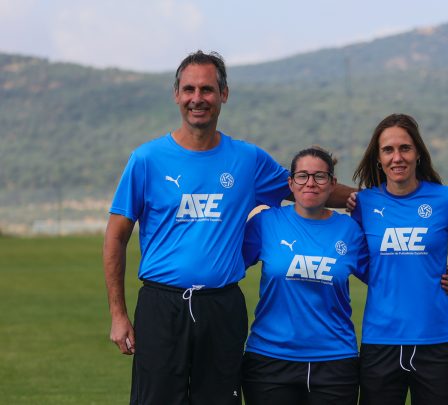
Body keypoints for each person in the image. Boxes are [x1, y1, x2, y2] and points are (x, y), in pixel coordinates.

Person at [102, 51, 353, 404]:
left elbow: (309, 186)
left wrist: (373, 202)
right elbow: (116, 236)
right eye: (189, 89)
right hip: (162, 305)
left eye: (207, 89)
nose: (197, 98)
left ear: (224, 94)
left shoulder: (247, 159)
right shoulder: (147, 159)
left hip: (221, 307)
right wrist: (118, 314)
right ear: (176, 94)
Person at [350, 113, 448, 405]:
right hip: (380, 341)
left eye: (405, 148)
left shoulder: (446, 199)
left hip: (436, 340)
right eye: (388, 150)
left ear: (418, 153)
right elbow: (357, 264)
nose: (397, 157)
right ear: (378, 157)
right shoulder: (363, 204)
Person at [241, 147, 368, 405]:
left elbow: (385, 276)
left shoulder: (351, 231)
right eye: (302, 176)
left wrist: (437, 277)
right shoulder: (266, 223)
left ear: (332, 184)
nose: (310, 183)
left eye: (320, 176)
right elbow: (224, 264)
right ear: (290, 182)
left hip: (335, 361)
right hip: (270, 360)